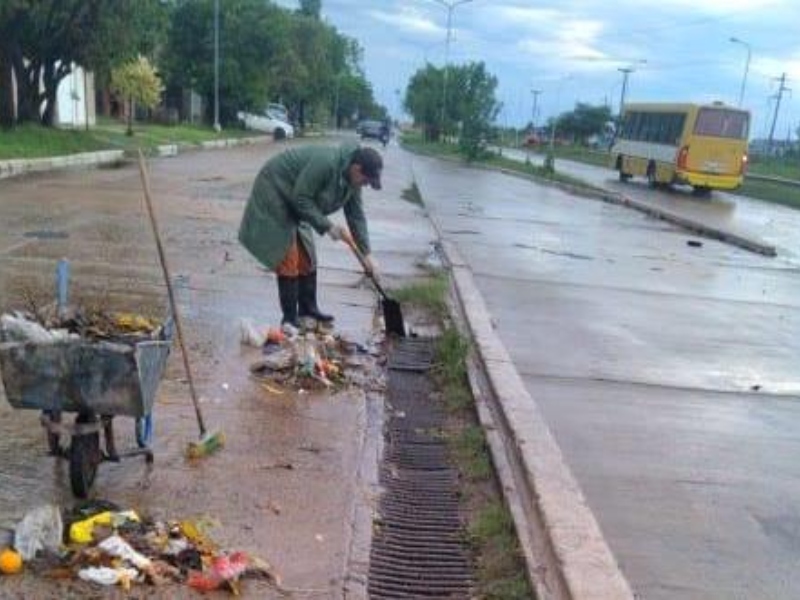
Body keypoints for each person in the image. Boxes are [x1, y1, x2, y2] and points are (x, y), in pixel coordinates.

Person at [238, 142, 382, 329]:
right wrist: (327, 226)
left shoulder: (352, 182)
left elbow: (356, 216)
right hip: (276, 190)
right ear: (356, 168)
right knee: (288, 257)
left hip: (298, 199)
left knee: (307, 256)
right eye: (366, 181)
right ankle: (289, 320)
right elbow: (301, 198)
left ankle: (307, 309)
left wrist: (367, 254)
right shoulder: (328, 163)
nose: (365, 185)